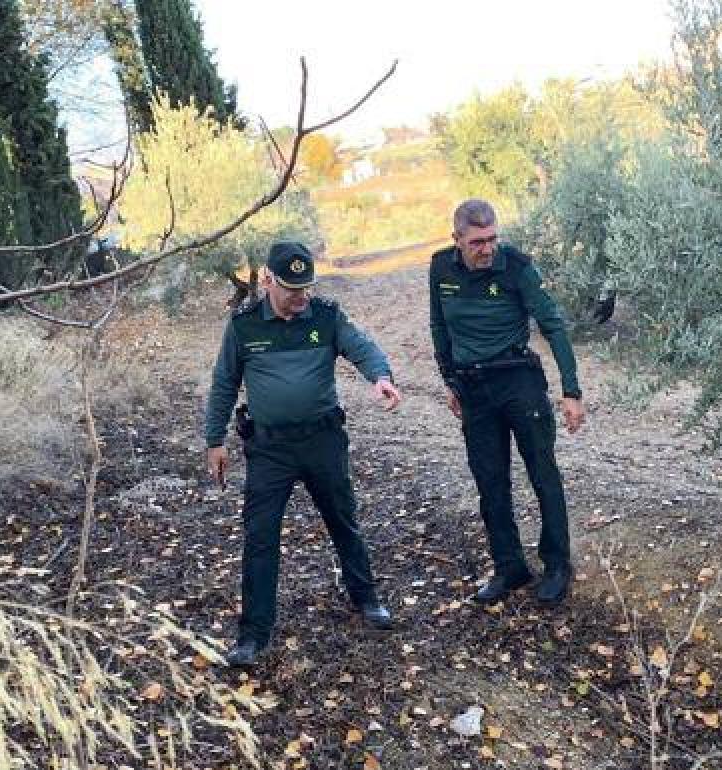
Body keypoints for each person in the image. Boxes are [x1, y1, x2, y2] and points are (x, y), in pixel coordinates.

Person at [204, 241, 402, 667]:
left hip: (322, 441)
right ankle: (253, 634)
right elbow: (224, 383)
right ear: (267, 281)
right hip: (269, 448)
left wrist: (380, 377)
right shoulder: (244, 327)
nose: (301, 296)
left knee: (342, 519)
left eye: (307, 287)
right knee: (260, 537)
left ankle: (365, 598)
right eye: (292, 288)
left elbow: (361, 346)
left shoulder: (326, 316)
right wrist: (215, 440)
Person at [428, 199, 586, 606]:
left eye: (492, 239)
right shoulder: (441, 268)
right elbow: (439, 326)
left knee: (542, 474)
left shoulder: (516, 266)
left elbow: (552, 324)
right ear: (457, 239)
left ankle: (557, 565)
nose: (487, 249)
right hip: (473, 388)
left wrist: (571, 391)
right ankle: (509, 566)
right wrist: (449, 380)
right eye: (478, 242)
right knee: (490, 481)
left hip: (519, 380)